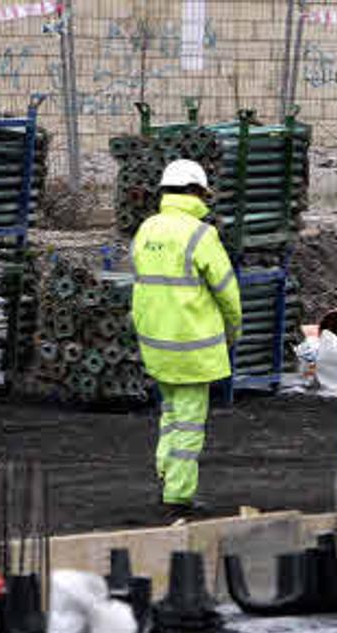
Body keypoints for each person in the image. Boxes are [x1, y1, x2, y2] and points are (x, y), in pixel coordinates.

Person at [131, 159, 241, 517]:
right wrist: (232, 332)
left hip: (156, 344)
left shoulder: (147, 229)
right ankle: (178, 494)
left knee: (170, 413)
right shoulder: (200, 234)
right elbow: (227, 292)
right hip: (194, 349)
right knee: (190, 424)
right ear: (196, 192)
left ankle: (165, 470)